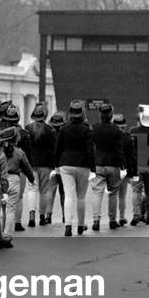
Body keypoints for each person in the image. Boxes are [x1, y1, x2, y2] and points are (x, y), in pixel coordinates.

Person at [55, 100, 94, 237]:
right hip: (83, 164)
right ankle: (81, 226)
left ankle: (68, 226)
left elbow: (58, 148)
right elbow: (90, 150)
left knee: (68, 196)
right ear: (82, 113)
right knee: (81, 197)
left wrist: (56, 165)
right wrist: (93, 168)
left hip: (66, 163)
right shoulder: (87, 128)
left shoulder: (64, 128)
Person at [90, 104, 125, 231]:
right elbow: (119, 151)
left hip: (98, 164)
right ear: (111, 115)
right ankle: (112, 220)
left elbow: (90, 147)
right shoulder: (117, 130)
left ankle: (96, 221)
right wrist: (122, 166)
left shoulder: (94, 128)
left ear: (100, 115)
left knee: (97, 193)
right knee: (113, 193)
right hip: (113, 165)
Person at [0, 126, 34, 248]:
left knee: (2, 208)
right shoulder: (19, 152)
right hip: (14, 180)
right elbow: (27, 167)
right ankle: (7, 235)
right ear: (16, 139)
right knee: (10, 209)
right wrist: (31, 179)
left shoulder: (0, 151)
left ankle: (0, 233)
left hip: (1, 179)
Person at [25, 103, 55, 227]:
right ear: (45, 115)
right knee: (44, 190)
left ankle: (31, 216)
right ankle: (42, 216)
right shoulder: (50, 130)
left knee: (32, 189)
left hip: (31, 163)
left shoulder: (27, 128)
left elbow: (26, 147)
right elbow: (53, 149)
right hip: (45, 164)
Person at [111, 113, 134, 227]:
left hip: (113, 168)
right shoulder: (128, 138)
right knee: (122, 196)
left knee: (113, 195)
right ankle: (121, 217)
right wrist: (132, 172)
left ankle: (112, 218)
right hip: (124, 169)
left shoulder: (111, 137)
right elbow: (131, 156)